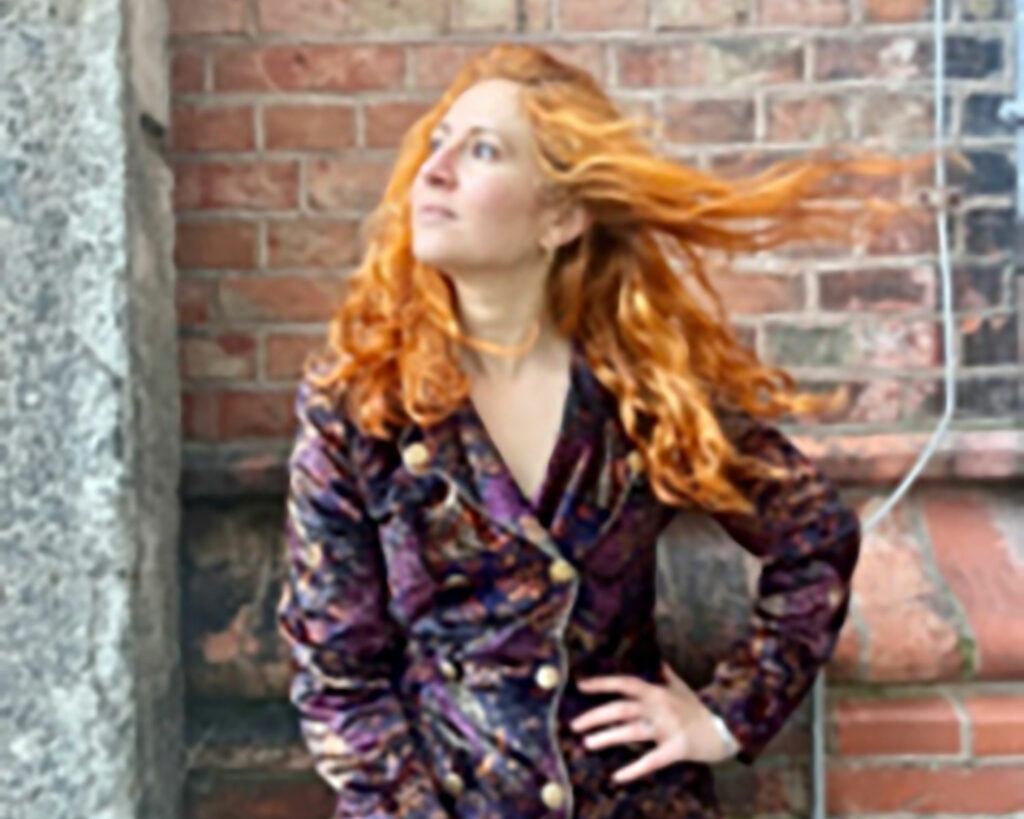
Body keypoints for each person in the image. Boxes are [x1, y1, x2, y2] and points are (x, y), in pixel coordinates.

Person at [276, 44, 928, 818]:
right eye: (437, 142)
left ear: (560, 216)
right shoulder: (362, 405)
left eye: (482, 150)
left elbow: (815, 536)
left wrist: (727, 716)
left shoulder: (643, 386)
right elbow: (338, 673)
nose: (434, 170)